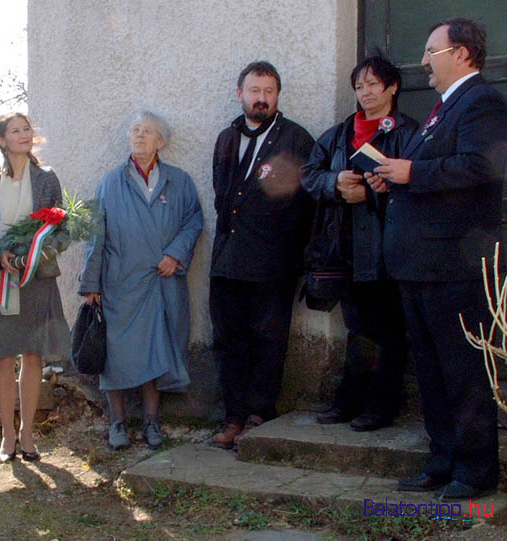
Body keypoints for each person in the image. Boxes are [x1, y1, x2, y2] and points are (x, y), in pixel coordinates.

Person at [368, 18, 507, 500]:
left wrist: (413, 172)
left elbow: (482, 165)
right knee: (430, 371)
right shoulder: (442, 107)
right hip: (420, 267)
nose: (424, 61)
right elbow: (427, 171)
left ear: (463, 54)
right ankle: (443, 460)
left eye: (432, 51)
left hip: (455, 267)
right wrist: (394, 175)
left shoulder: (482, 101)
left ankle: (474, 471)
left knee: (463, 370)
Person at [301, 55, 419, 431]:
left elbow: (418, 187)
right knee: (356, 327)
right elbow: (309, 175)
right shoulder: (338, 134)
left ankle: (381, 406)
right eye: (360, 86)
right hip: (344, 247)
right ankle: (348, 401)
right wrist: (336, 185)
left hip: (387, 249)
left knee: (388, 329)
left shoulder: (407, 132)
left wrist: (370, 195)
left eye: (372, 84)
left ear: (392, 87)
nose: (365, 92)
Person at [79, 111, 203, 451]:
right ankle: (117, 423)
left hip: (161, 283)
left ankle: (151, 423)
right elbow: (95, 235)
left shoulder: (179, 181)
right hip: (119, 283)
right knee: (115, 356)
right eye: (134, 129)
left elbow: (194, 221)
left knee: (155, 353)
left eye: (147, 131)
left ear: (160, 142)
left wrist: (175, 254)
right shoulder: (110, 182)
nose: (138, 135)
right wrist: (91, 283)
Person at [210, 61, 315, 449]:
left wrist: (289, 250)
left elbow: (304, 206)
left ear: (277, 96)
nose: (261, 98)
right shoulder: (226, 138)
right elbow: (222, 198)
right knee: (228, 339)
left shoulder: (296, 139)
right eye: (254, 90)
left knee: (268, 339)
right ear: (240, 94)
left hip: (273, 262)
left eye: (269, 91)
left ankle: (259, 414)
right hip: (227, 260)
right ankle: (232, 415)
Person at [0, 112, 70, 463]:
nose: (24, 134)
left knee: (33, 354)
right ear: (1, 140)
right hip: (1, 279)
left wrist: (42, 254)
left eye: (27, 128)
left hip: (37, 278)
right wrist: (2, 256)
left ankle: (28, 434)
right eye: (16, 130)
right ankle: (7, 436)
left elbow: (60, 228)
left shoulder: (47, 178)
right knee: (5, 354)